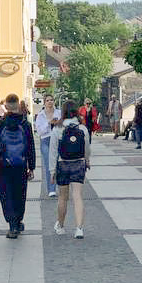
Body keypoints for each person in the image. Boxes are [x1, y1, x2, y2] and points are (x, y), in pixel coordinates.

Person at [0, 94, 36, 239]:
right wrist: (32, 167)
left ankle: (12, 225)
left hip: (3, 165)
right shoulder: (26, 124)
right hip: (20, 165)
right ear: (17, 105)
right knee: (20, 195)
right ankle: (18, 221)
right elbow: (30, 147)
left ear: (6, 106)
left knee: (6, 195)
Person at [51, 100, 91, 239]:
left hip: (63, 164)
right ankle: (79, 228)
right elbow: (87, 148)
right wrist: (87, 161)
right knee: (77, 196)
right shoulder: (83, 128)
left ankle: (61, 226)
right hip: (78, 163)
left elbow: (53, 151)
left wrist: (52, 171)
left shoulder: (57, 128)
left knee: (62, 197)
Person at [34, 94, 61, 198]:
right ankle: (51, 189)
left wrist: (57, 123)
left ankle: (60, 186)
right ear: (44, 102)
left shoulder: (59, 113)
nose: (50, 102)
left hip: (57, 139)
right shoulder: (40, 115)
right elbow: (39, 131)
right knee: (48, 164)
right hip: (45, 140)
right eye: (47, 100)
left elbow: (64, 126)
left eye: (51, 100)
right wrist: (49, 123)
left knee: (58, 163)